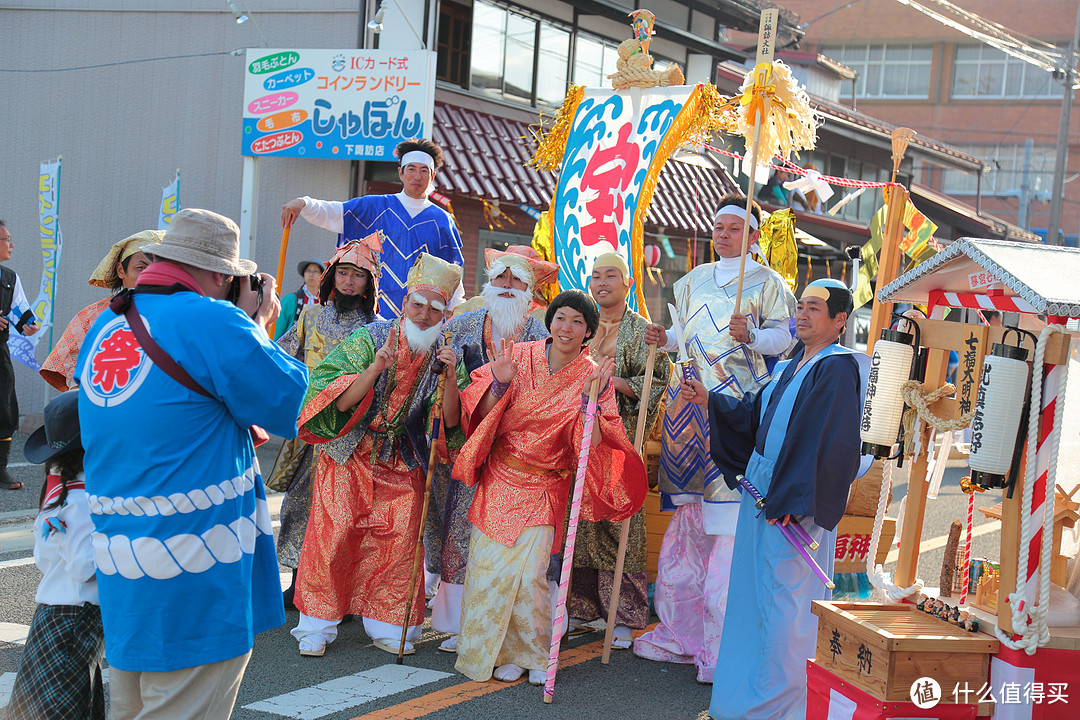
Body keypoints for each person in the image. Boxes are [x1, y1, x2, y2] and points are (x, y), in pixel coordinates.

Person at [75, 208, 308, 719]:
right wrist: (259, 324)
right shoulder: (214, 320)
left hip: (122, 557)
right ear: (222, 275)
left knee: (132, 707)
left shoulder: (105, 322)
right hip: (195, 562)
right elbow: (287, 402)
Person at [678, 278, 862, 720]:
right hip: (764, 491)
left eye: (815, 308)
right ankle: (740, 700)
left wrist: (797, 499)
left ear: (839, 321)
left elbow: (830, 443)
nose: (802, 313)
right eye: (801, 305)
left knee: (786, 604)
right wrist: (709, 401)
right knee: (750, 597)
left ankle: (779, 708)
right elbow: (754, 416)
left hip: (794, 502)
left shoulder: (839, 367)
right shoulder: (790, 364)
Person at [634, 194, 796, 683]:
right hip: (690, 412)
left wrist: (754, 337)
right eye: (718, 227)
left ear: (751, 235)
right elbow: (684, 337)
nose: (723, 235)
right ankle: (683, 630)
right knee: (689, 522)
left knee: (726, 524)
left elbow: (788, 340)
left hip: (737, 413)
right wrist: (665, 340)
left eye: (733, 228)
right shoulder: (691, 281)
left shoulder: (771, 285)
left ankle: (723, 644)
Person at [452, 289, 648, 685]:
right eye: (562, 317)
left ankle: (533, 652)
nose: (567, 327)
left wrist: (590, 404)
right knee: (488, 570)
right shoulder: (518, 356)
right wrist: (501, 385)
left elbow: (596, 444)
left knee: (530, 576)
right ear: (551, 320)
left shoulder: (593, 375)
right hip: (501, 478)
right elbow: (478, 414)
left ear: (589, 331)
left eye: (578, 322)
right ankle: (499, 653)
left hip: (546, 485)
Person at [292, 252, 464, 658]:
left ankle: (389, 623)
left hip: (402, 455)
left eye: (434, 308)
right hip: (349, 450)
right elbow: (333, 397)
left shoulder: (445, 351)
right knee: (333, 534)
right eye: (417, 305)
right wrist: (374, 368)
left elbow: (452, 421)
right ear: (403, 303)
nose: (423, 315)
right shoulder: (370, 337)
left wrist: (453, 376)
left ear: (445, 313)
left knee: (401, 539)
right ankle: (317, 624)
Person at [427, 245, 555, 652]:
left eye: (517, 279)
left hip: (518, 454)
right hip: (466, 442)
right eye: (501, 277)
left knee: (511, 539)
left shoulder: (542, 335)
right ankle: (461, 621)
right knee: (462, 529)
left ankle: (513, 623)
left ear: (531, 290)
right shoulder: (460, 325)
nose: (507, 285)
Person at [268, 235, 383, 608]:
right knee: (300, 506)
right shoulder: (310, 316)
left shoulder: (380, 327)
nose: (349, 281)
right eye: (344, 273)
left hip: (357, 434)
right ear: (331, 277)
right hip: (312, 431)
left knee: (345, 515)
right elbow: (284, 358)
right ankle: (300, 581)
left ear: (370, 283)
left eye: (358, 275)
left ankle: (340, 591)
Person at [566, 253, 669, 647]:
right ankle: (583, 609)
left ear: (627, 283)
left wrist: (611, 384)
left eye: (611, 275)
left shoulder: (641, 329)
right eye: (595, 275)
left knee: (620, 519)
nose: (602, 281)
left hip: (620, 435)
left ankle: (622, 615)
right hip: (578, 434)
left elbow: (656, 379)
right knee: (582, 520)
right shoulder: (581, 324)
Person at [281, 138, 465, 315]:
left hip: (420, 320)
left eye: (424, 170)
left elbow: (452, 276)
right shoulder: (374, 207)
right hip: (370, 316)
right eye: (411, 169)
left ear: (432, 176)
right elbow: (333, 211)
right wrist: (303, 203)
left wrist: (455, 313)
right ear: (400, 172)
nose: (417, 176)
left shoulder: (442, 220)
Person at [5, 391, 103, 720]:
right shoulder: (84, 498)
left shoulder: (57, 490)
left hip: (52, 617)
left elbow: (44, 560)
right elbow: (84, 566)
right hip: (77, 622)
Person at [40, 230, 160, 392]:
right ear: (120, 270)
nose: (150, 276)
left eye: (159, 269)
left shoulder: (179, 314)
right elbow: (75, 386)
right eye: (141, 268)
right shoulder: (92, 316)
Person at [0, 220, 39, 491]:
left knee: (4, 408)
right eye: (7, 239)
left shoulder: (9, 277)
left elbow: (21, 310)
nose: (11, 244)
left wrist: (28, 323)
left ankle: (0, 471)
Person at [274, 258, 325, 339]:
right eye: (308, 271)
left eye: (315, 271)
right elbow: (278, 331)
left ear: (322, 275)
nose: (311, 274)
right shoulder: (290, 300)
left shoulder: (327, 302)